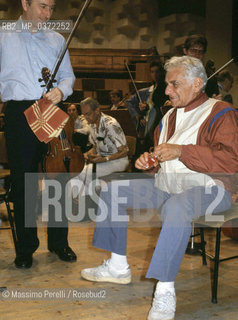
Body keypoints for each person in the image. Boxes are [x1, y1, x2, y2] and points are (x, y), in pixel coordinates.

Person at [80, 56, 238, 320]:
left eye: (174, 84)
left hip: (212, 190)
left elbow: (231, 161)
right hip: (168, 186)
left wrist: (182, 151)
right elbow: (162, 162)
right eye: (167, 84)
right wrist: (149, 162)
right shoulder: (167, 117)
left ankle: (164, 291)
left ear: (197, 83)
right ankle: (118, 266)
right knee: (112, 190)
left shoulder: (222, 113)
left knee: (177, 207)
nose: (166, 91)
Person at [0, 0, 77, 268]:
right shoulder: (3, 36)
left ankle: (59, 242)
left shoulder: (56, 40)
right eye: (43, 6)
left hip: (50, 108)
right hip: (20, 113)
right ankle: (25, 248)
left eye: (51, 8)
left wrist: (60, 91)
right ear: (25, 3)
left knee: (58, 179)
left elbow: (68, 77)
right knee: (24, 184)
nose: (48, 14)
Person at [126, 61, 168, 152]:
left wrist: (147, 108)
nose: (155, 75)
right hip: (147, 123)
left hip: (158, 123)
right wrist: (140, 114)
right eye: (152, 72)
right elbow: (130, 103)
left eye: (157, 72)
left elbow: (159, 106)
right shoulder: (149, 90)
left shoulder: (165, 88)